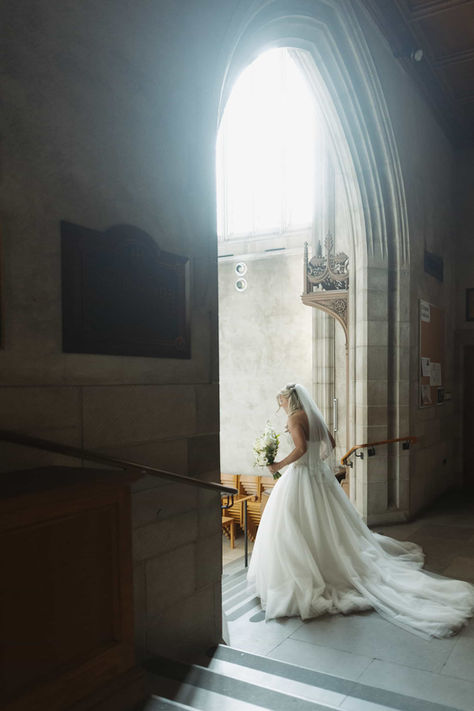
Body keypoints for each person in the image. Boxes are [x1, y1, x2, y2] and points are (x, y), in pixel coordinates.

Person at [247, 383, 474, 638]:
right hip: (318, 477)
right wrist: (317, 464)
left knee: (293, 527)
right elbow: (330, 443)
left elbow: (299, 449)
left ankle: (305, 572)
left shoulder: (293, 419)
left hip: (300, 477)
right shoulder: (312, 416)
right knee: (326, 525)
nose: (281, 406)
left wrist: (278, 464)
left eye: (282, 401)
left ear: (290, 400)